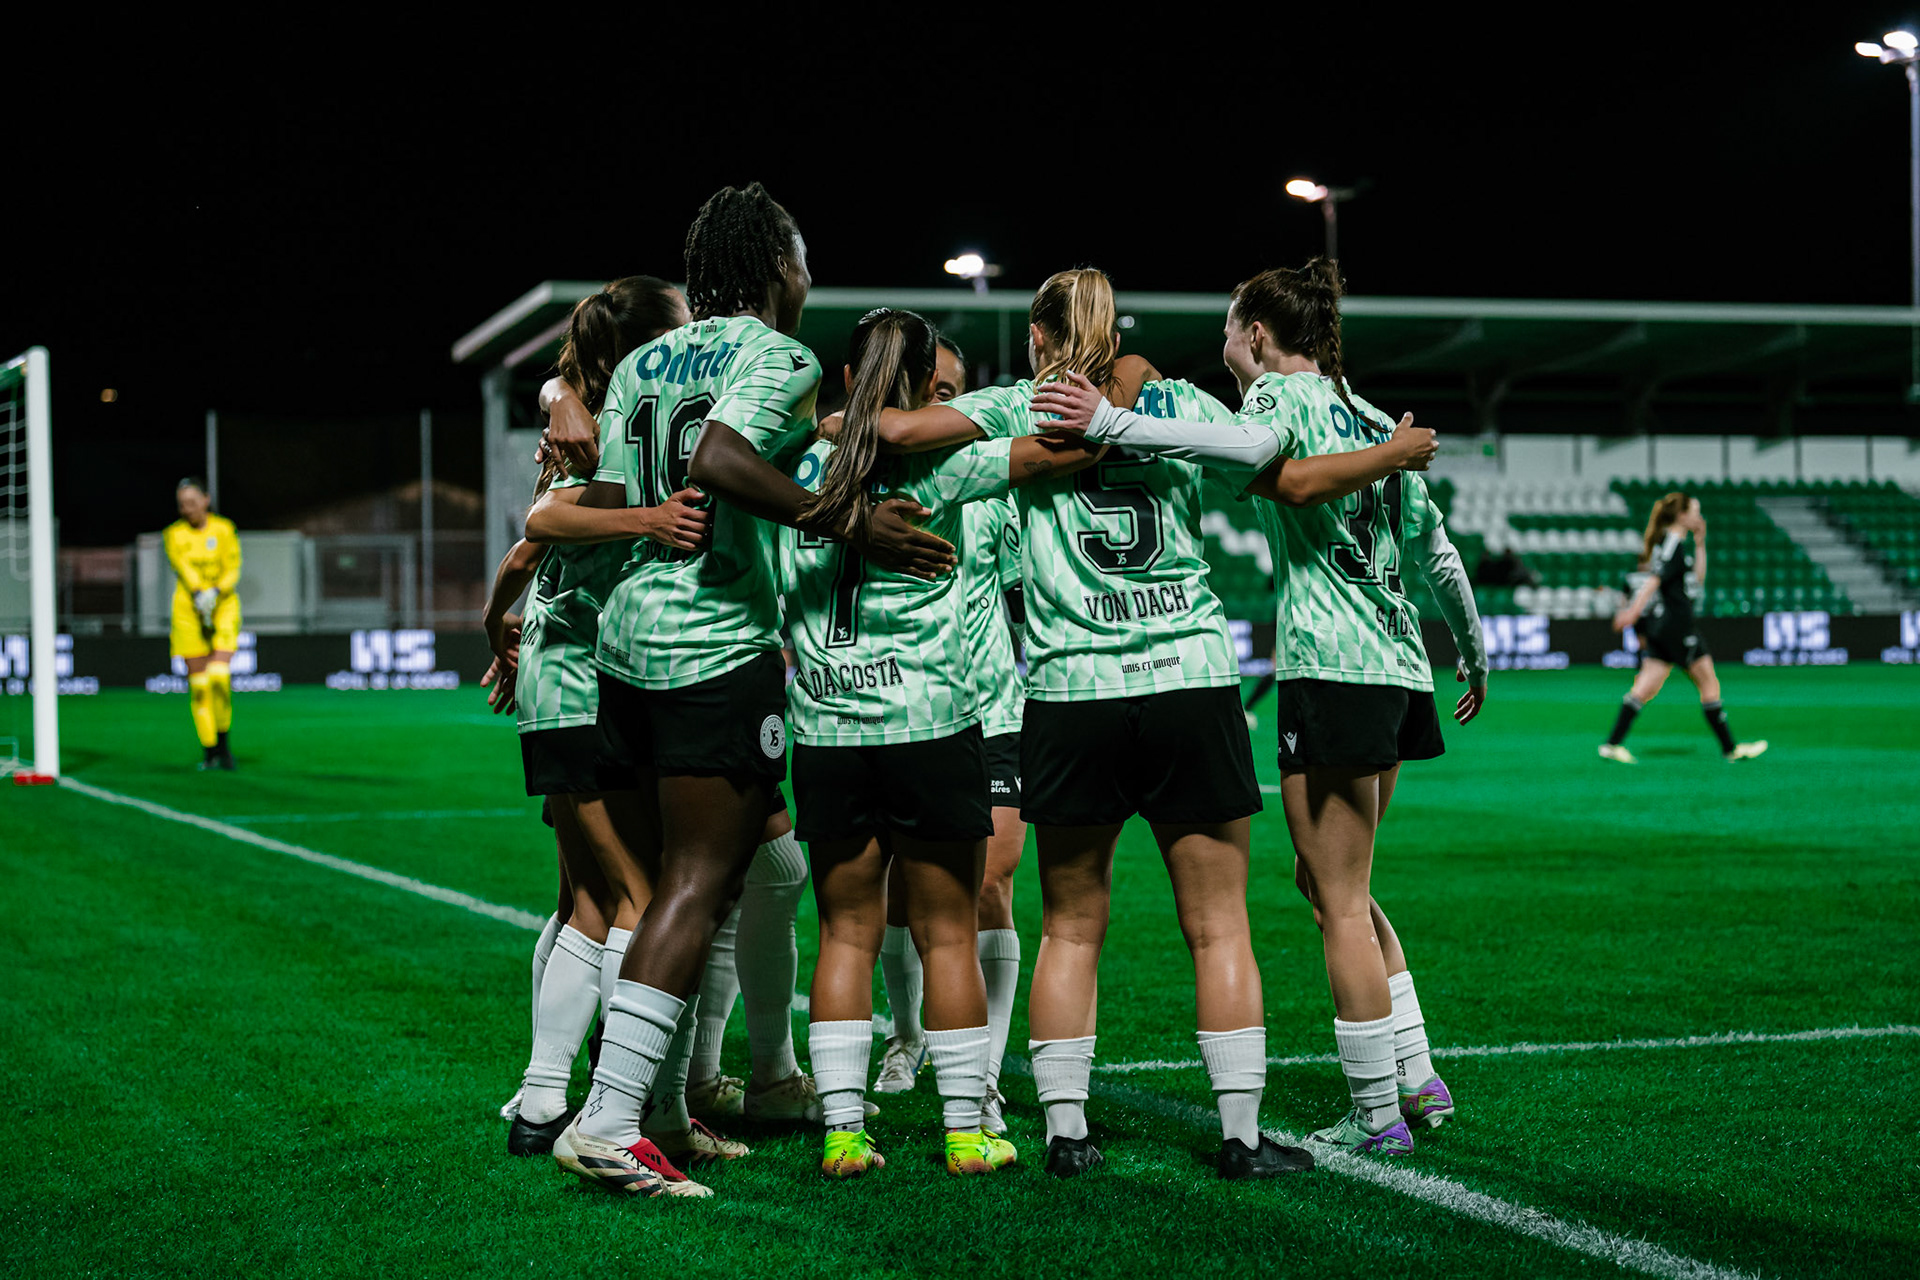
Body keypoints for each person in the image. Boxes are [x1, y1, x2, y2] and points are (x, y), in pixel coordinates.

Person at [875, 267, 1430, 1179]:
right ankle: (1242, 1138)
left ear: (1045, 341)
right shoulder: (1179, 399)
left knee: (1070, 926)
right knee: (1218, 926)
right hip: (1189, 678)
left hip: (1070, 689)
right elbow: (1277, 470)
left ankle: (1064, 1134)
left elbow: (901, 434)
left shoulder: (1021, 402)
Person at [542, 184, 955, 1201]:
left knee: (682, 887)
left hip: (625, 644)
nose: (808, 279)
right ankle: (606, 1118)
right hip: (710, 648)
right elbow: (716, 456)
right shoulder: (776, 354)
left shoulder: (644, 358)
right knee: (695, 882)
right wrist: (848, 522)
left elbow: (636, 478)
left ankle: (658, 1112)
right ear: (776, 265)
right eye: (802, 259)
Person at [1035, 257, 1477, 1157]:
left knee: (1339, 900)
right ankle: (1418, 1071)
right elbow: (1438, 555)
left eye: (1232, 329)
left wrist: (1117, 420)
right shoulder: (1364, 413)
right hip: (1400, 671)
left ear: (1261, 338)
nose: (1224, 345)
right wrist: (1471, 650)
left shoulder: (1277, 401)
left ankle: (1377, 1111)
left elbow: (1269, 463)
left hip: (1331, 665)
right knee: (1335, 885)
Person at [789, 308, 1101, 1178]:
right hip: (931, 722)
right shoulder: (948, 460)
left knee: (845, 933)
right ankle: (966, 1129)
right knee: (949, 933)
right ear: (932, 387)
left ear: (848, 381)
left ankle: (844, 1131)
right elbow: (1068, 450)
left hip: (825, 728)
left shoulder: (795, 467)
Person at [481, 276, 748, 1172]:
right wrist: (652, 518)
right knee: (633, 899)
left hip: (573, 669)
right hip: (586, 676)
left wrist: (497, 625)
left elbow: (533, 542)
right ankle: (607, 1102)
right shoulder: (604, 420)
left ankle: (550, 1094)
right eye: (678, 325)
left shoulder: (594, 407)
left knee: (587, 898)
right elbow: (543, 521)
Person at [872, 335, 1029, 1138]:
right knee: (901, 890)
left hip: (992, 709)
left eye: (959, 389)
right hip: (902, 709)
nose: (952, 403)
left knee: (993, 882)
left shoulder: (989, 477)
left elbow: (1016, 595)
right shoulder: (865, 470)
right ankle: (905, 1039)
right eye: (937, 388)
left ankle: (987, 1076)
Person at [1601, 493, 1767, 764]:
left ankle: (1611, 744)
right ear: (1682, 516)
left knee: (1645, 686)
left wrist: (1700, 544)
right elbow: (1654, 579)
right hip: (1677, 627)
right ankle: (1731, 749)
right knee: (1709, 683)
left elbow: (1697, 581)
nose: (1699, 517)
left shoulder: (1674, 544)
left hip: (1664, 627)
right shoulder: (1672, 543)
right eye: (1695, 512)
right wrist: (1632, 611)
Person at [163, 478, 241, 771]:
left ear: (206, 500)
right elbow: (181, 566)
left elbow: (233, 567)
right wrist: (199, 593)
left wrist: (216, 591)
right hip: (188, 611)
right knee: (199, 687)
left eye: (193, 502)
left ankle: (224, 744)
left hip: (223, 607)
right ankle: (209, 750)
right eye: (182, 504)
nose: (188, 509)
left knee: (220, 677)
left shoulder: (224, 529)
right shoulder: (173, 534)